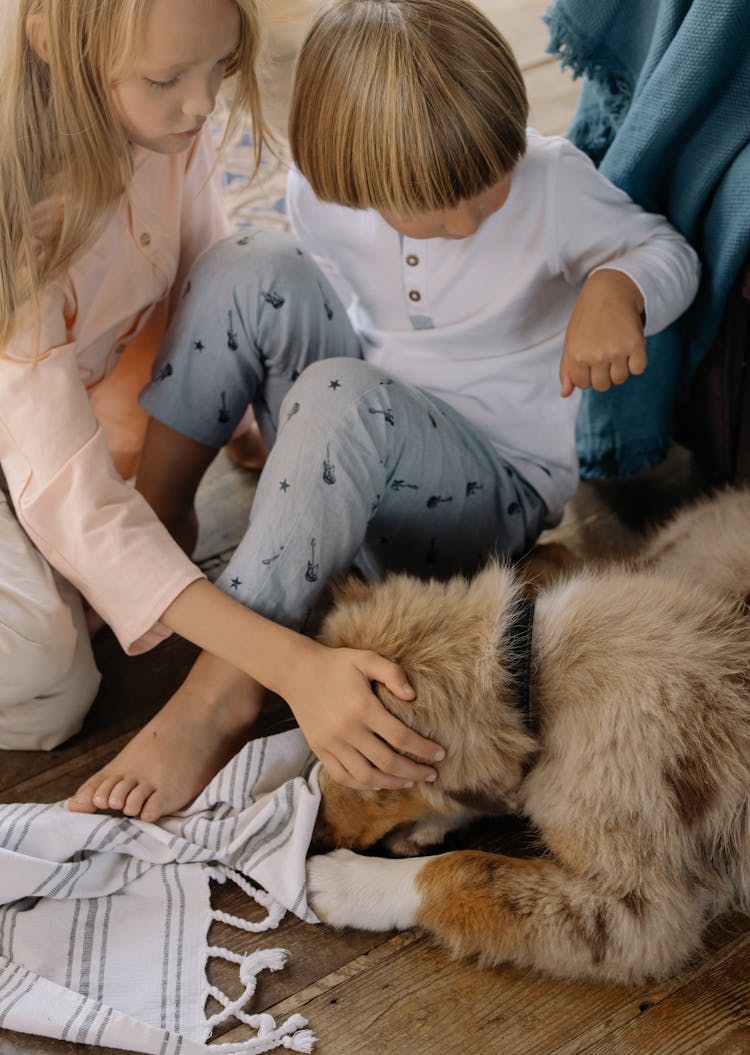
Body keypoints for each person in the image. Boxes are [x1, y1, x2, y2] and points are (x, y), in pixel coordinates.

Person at [70, 0, 701, 821]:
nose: (472, 216)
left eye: (490, 179)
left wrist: (618, 286)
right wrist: (295, 426)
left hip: (486, 488)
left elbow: (667, 252)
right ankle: (157, 531)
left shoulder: (550, 188)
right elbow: (349, 312)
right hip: (364, 424)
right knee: (245, 264)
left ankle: (220, 695)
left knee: (340, 395)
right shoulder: (321, 198)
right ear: (351, 185)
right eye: (435, 208)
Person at [0, 0, 443, 813]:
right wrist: (291, 665)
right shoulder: (17, 224)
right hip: (28, 442)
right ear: (53, 50)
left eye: (221, 64)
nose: (203, 103)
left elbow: (195, 281)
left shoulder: (164, 122)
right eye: (168, 77)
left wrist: (235, 423)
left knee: (255, 259)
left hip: (64, 415)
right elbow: (73, 494)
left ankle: (144, 570)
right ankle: (170, 638)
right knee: (50, 680)